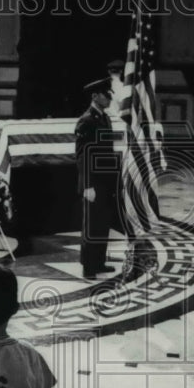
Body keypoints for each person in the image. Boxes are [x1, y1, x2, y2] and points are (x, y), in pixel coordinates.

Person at [75, 76, 120, 280]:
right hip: (93, 182)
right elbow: (83, 156)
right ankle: (89, 266)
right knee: (91, 226)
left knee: (102, 224)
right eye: (106, 94)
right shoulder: (86, 120)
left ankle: (99, 262)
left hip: (105, 181)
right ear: (95, 96)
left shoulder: (105, 118)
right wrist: (87, 185)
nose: (109, 98)